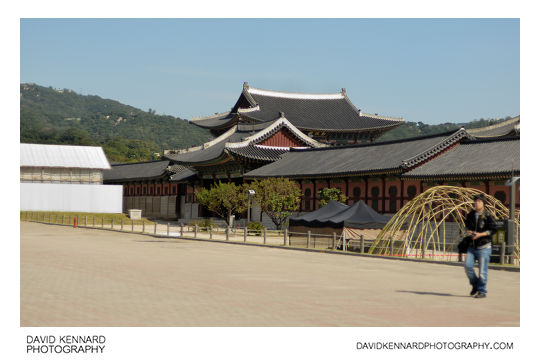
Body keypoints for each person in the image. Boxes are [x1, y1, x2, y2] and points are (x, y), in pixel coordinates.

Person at [464, 194, 496, 299]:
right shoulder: (470, 215)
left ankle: (482, 291)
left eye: (478, 201)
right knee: (467, 266)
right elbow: (466, 227)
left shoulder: (488, 216)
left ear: (483, 204)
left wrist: (479, 235)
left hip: (484, 247)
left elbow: (492, 230)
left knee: (482, 271)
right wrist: (469, 232)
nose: (476, 203)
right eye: (475, 201)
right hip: (472, 247)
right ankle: (475, 285)